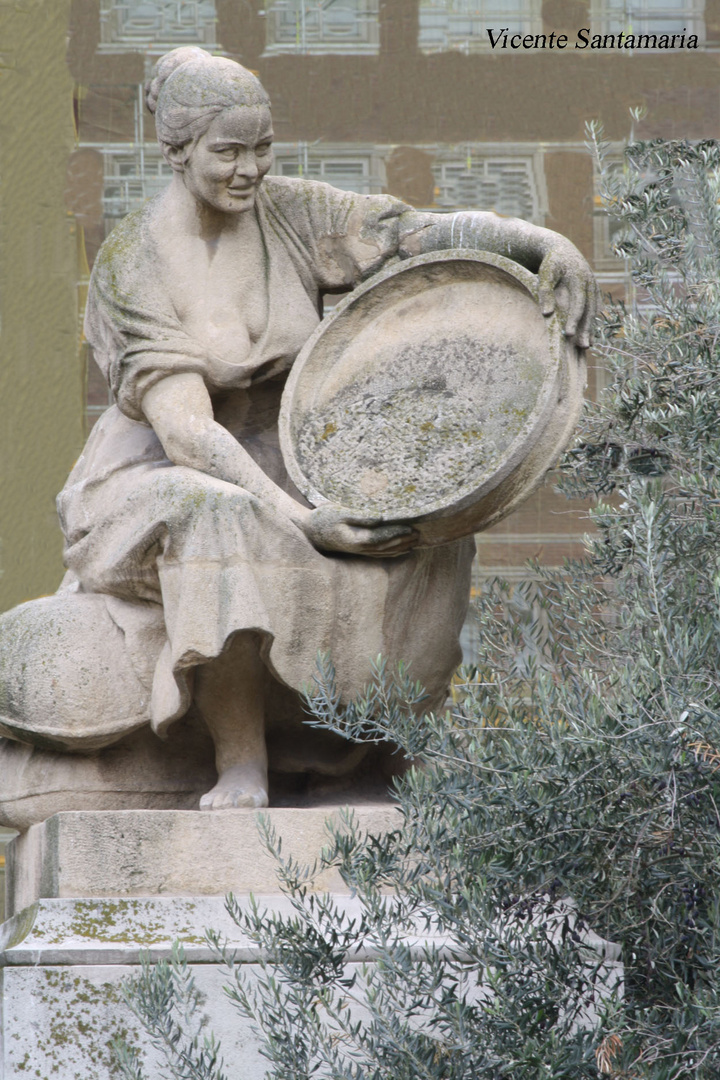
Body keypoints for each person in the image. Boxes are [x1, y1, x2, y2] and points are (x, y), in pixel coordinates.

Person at [0, 47, 596, 815]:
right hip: (153, 481)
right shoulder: (133, 265)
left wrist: (538, 243)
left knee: (425, 510)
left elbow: (414, 234)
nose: (249, 169)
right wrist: (307, 521)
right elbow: (187, 433)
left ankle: (371, 748)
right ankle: (240, 760)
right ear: (176, 153)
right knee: (216, 514)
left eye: (262, 147)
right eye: (227, 152)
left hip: (292, 459)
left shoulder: (290, 211)